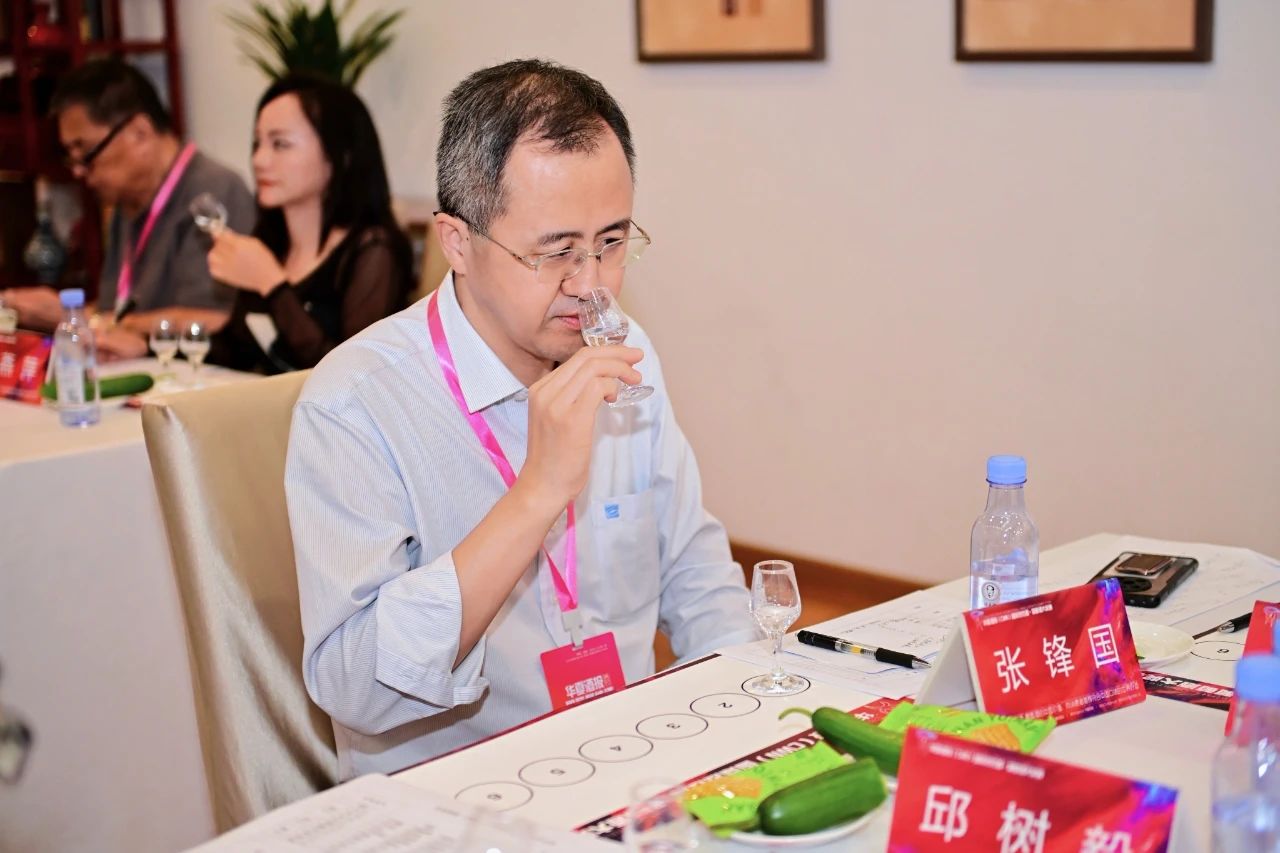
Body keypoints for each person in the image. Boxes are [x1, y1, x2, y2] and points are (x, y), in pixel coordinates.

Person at [285, 59, 758, 778]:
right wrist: (537, 493)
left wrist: (741, 722)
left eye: (611, 242)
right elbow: (353, 686)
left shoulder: (622, 351)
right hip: (458, 796)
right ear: (457, 242)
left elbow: (695, 572)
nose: (591, 284)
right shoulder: (355, 404)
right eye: (556, 252)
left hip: (628, 766)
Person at [99, 76, 413, 372]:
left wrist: (272, 285)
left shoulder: (375, 249)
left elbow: (353, 376)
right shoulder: (272, 240)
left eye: (280, 144)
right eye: (257, 144)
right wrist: (147, 347)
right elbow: (236, 350)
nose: (260, 160)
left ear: (340, 154)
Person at [0, 59, 252, 337]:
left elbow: (212, 320)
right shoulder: (128, 198)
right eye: (70, 156)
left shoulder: (211, 193)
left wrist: (74, 318)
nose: (79, 171)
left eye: (86, 152)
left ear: (140, 132)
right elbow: (117, 312)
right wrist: (66, 314)